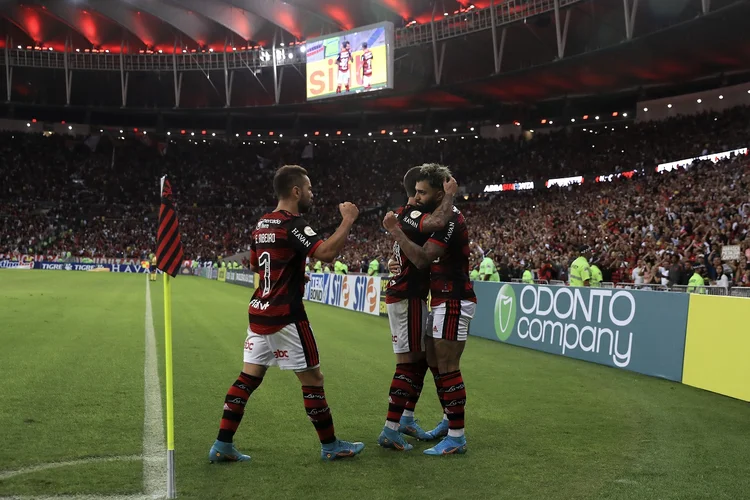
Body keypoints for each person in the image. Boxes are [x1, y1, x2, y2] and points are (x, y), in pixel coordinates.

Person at [208, 165, 365, 463]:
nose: (311, 193)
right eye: (308, 189)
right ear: (295, 191)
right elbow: (326, 254)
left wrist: (291, 275)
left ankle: (222, 444)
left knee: (247, 379)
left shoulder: (262, 223)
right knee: (313, 379)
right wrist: (347, 221)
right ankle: (331, 445)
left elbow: (257, 266)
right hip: (286, 316)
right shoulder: (293, 223)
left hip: (260, 311)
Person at [383, 163, 475, 456]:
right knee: (436, 365)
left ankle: (457, 437)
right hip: (440, 300)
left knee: (448, 367)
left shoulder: (449, 219)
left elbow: (424, 258)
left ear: (440, 192)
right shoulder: (435, 215)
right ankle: (449, 423)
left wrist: (396, 232)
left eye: (423, 192)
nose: (417, 197)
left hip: (454, 299)